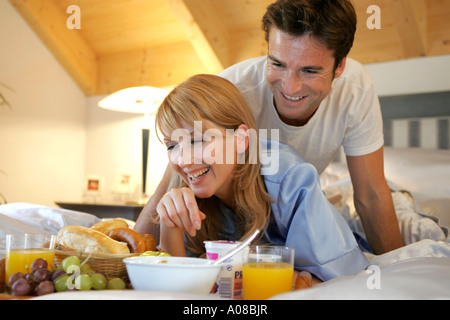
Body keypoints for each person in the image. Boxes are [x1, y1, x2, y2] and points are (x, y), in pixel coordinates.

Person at [136, 0, 403, 255]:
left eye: (309, 71)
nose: (290, 87)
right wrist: (130, 252)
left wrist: (396, 270)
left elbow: (370, 194)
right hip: (237, 221)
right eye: (277, 64)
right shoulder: (232, 91)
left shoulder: (355, 91)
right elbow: (175, 177)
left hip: (304, 209)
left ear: (339, 66)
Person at [152, 74, 369, 282]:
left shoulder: (289, 177)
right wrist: (169, 225)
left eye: (197, 141)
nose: (183, 160)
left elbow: (339, 278)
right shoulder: (184, 192)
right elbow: (179, 284)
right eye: (172, 145)